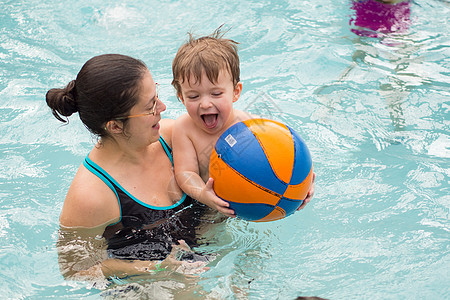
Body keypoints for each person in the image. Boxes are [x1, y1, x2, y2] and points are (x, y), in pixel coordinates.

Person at [46, 54, 209, 282]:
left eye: (157, 95)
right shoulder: (92, 196)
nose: (162, 107)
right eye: (150, 106)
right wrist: (155, 269)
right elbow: (74, 271)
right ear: (114, 126)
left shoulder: (174, 139)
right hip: (149, 287)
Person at [171, 28, 315, 217]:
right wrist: (205, 196)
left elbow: (287, 159)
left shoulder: (251, 128)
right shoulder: (184, 128)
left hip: (251, 202)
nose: (205, 104)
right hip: (208, 207)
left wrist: (302, 187)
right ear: (181, 97)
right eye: (193, 96)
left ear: (236, 92)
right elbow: (185, 173)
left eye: (216, 93)